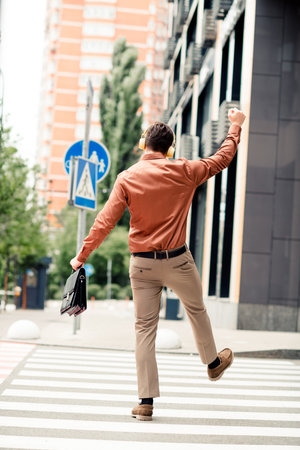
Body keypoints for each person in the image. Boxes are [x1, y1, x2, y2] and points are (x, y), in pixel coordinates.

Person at [70, 107, 246, 421]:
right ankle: (212, 363)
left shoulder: (127, 178)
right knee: (196, 309)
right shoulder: (185, 170)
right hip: (178, 261)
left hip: (142, 266)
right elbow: (222, 158)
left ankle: (146, 401)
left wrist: (81, 256)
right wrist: (235, 126)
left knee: (144, 330)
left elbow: (105, 222)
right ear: (170, 148)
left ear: (143, 144)